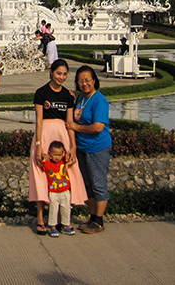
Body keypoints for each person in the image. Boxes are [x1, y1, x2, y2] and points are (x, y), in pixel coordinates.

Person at [29, 58, 87, 235]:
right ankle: (41, 218)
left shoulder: (68, 96)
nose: (61, 77)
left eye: (64, 74)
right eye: (58, 73)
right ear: (51, 73)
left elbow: (69, 122)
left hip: (62, 135)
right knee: (40, 175)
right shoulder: (41, 93)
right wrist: (39, 145)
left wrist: (73, 147)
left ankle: (63, 219)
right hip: (45, 133)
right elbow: (39, 120)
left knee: (66, 172)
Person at [67, 65, 112, 234]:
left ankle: (99, 221)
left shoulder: (99, 100)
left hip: (97, 147)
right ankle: (93, 217)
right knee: (88, 183)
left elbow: (98, 127)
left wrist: (76, 127)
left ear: (94, 81)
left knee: (98, 183)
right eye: (80, 81)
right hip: (83, 147)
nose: (84, 83)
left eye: (87, 80)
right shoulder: (81, 98)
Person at [42, 140, 75, 237]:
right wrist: (44, 156)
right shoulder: (48, 163)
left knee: (66, 208)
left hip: (65, 190)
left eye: (59, 154)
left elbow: (74, 160)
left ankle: (65, 225)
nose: (57, 157)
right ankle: (53, 227)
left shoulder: (64, 160)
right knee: (53, 209)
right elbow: (40, 162)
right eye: (55, 154)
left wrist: (66, 164)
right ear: (50, 153)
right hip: (53, 191)